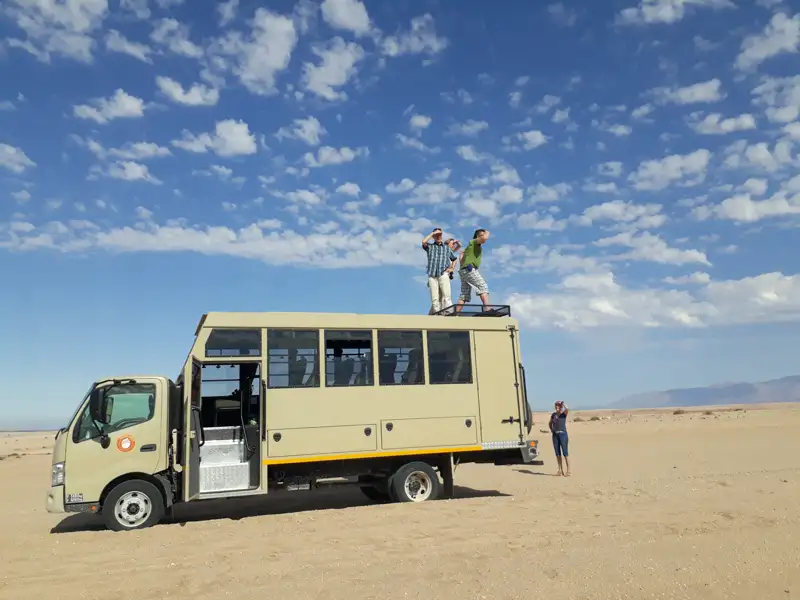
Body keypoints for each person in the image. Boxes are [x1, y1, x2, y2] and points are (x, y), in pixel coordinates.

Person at [421, 227, 458, 314]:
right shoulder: (430, 247)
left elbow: (454, 259)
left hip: (443, 273)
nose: (438, 236)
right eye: (436, 235)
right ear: (433, 236)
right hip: (432, 275)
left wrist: (452, 268)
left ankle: (449, 312)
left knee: (446, 295)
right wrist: (432, 234)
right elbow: (423, 242)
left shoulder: (446, 248)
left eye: (440, 235)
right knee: (435, 298)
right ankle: (436, 314)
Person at [454, 228, 491, 313]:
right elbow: (484, 238)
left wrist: (462, 257)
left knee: (464, 294)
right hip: (469, 269)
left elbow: (461, 259)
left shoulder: (470, 247)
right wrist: (487, 232)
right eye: (481, 235)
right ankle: (487, 309)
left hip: (463, 270)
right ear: (477, 237)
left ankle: (455, 314)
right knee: (483, 286)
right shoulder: (473, 242)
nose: (483, 237)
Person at [548, 400, 570, 476]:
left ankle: (568, 471)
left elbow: (567, 409)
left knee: (565, 453)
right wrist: (551, 429)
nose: (557, 406)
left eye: (558, 405)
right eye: (556, 405)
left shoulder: (563, 414)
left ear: (560, 407)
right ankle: (560, 470)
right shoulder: (553, 415)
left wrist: (563, 404)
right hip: (555, 435)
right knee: (557, 454)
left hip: (563, 434)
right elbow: (550, 423)